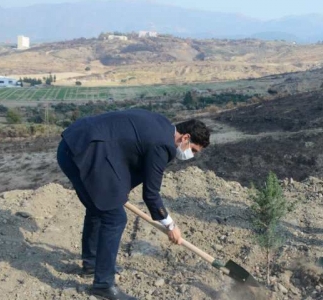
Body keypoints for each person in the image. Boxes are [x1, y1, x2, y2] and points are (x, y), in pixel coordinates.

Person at [56, 109, 211, 300]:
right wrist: (170, 224)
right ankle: (103, 284)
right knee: (114, 218)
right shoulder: (162, 145)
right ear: (185, 137)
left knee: (100, 208)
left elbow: (130, 153)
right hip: (80, 152)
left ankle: (92, 263)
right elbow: (151, 194)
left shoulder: (163, 125)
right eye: (193, 149)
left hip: (76, 143)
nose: (191, 155)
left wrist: (120, 191)